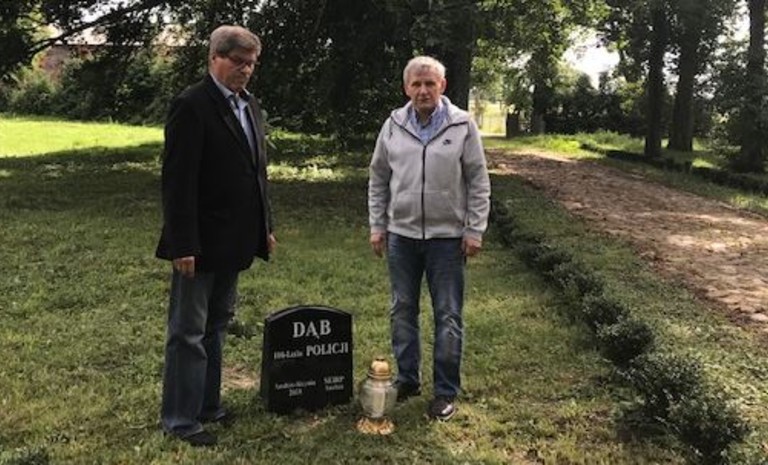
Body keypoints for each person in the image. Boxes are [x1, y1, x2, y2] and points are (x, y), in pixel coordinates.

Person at [155, 25, 276, 447]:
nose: (245, 70)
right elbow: (177, 182)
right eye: (238, 61)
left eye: (251, 64)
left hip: (235, 238)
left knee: (217, 325)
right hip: (199, 242)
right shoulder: (191, 105)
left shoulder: (250, 105)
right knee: (187, 332)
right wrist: (182, 243)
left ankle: (208, 405)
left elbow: (257, 172)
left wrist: (265, 227)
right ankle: (180, 418)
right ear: (214, 58)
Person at [367, 56, 491, 421]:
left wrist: (474, 229)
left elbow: (478, 181)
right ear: (406, 88)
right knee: (402, 309)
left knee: (448, 314)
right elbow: (378, 178)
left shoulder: (462, 124)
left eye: (430, 84)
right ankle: (407, 379)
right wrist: (377, 225)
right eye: (417, 84)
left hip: (447, 240)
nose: (423, 90)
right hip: (401, 236)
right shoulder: (393, 124)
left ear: (442, 86)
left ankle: (445, 391)